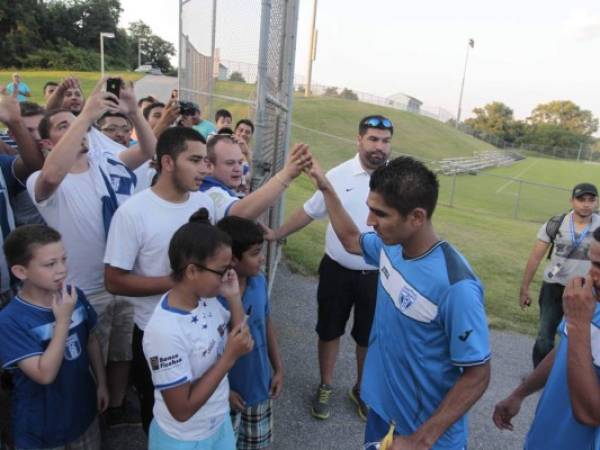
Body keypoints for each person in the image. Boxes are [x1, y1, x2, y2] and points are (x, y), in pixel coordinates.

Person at [104, 126, 311, 432]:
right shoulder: (134, 212)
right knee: (166, 420)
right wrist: (178, 282)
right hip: (157, 333)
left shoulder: (206, 201)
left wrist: (288, 175)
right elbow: (114, 280)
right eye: (195, 160)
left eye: (206, 161)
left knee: (208, 413)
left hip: (207, 330)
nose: (205, 168)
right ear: (168, 162)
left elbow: (241, 212)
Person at [307, 155, 491, 449]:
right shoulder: (390, 247)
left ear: (416, 217)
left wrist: (421, 439)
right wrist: (327, 189)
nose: (370, 221)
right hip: (381, 412)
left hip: (422, 435)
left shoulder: (457, 287)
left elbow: (478, 374)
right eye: (370, 209)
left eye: (380, 214)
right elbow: (352, 239)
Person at [27, 79, 156, 428]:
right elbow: (54, 173)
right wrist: (84, 115)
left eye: (78, 123)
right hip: (82, 289)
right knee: (87, 357)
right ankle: (91, 417)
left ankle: (115, 408)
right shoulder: (42, 178)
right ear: (46, 142)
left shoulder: (106, 165)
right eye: (63, 126)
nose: (76, 128)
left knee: (121, 352)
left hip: (123, 278)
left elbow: (147, 150)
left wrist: (132, 111)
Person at [269, 115, 393, 421]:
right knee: (329, 330)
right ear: (359, 140)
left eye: (386, 140)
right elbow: (310, 211)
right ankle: (325, 384)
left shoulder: (396, 180)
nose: (380, 147)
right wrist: (277, 233)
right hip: (337, 270)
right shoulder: (337, 175)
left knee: (368, 336)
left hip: (378, 275)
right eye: (373, 139)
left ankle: (363, 389)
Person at [143, 209, 254, 449]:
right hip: (183, 438)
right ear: (192, 271)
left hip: (218, 423)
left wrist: (233, 297)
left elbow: (244, 340)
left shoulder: (207, 299)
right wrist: (228, 358)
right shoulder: (164, 332)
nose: (228, 275)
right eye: (222, 270)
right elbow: (181, 410)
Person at [0, 224, 108, 450]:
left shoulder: (73, 296)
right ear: (21, 271)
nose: (62, 270)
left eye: (64, 260)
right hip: (42, 430)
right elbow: (44, 374)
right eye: (50, 264)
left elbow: (91, 340)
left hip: (83, 415)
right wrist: (62, 322)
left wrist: (102, 384)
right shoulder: (10, 320)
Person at [493, 227, 600, 449]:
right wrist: (519, 394)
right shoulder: (591, 303)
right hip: (543, 439)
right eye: (592, 263)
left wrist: (578, 324)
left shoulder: (584, 312)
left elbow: (591, 415)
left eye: (599, 267)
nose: (591, 275)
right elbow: (564, 350)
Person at [217, 216, 284, 450]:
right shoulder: (213, 297)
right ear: (233, 260)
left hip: (258, 388)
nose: (262, 258)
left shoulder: (259, 282)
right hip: (224, 396)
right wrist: (224, 390)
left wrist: (278, 368)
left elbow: (266, 325)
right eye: (255, 253)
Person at [519, 183, 600, 367]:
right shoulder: (556, 223)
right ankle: (538, 376)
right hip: (554, 287)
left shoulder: (599, 226)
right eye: (581, 199)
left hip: (587, 290)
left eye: (591, 200)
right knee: (544, 337)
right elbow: (535, 257)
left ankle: (569, 377)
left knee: (581, 338)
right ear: (571, 200)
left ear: (596, 202)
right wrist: (524, 288)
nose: (586, 204)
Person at [201, 133, 310, 220]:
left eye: (240, 162)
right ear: (209, 165)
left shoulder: (220, 183)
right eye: (230, 163)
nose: (238, 169)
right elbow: (239, 214)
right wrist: (287, 174)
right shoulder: (208, 190)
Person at [234, 119, 255, 196]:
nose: (243, 134)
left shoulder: (252, 156)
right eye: (240, 130)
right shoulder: (225, 149)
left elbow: (254, 177)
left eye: (247, 132)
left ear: (251, 136)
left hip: (242, 198)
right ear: (235, 131)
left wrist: (247, 154)